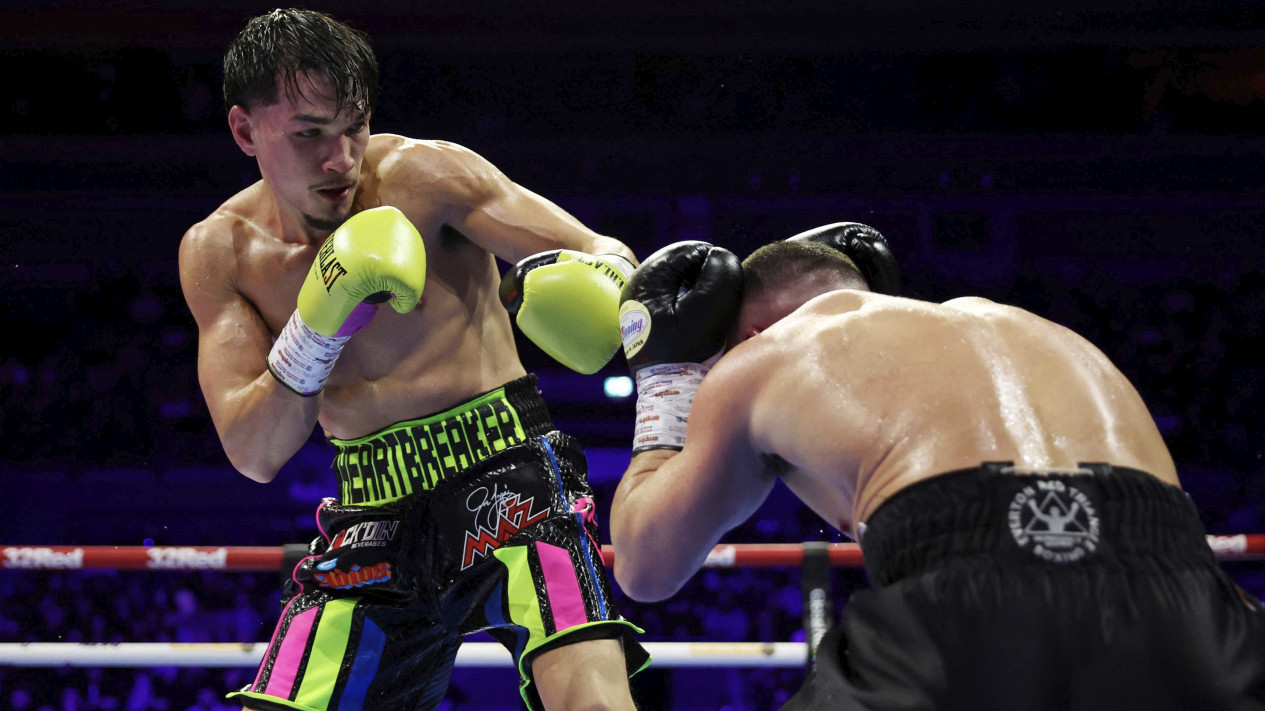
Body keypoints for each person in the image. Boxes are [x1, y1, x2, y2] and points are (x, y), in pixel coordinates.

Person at [177, 9, 648, 711]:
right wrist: (316, 326)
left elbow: (603, 253)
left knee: (591, 699)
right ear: (245, 131)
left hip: (505, 467)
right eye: (308, 134)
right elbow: (254, 452)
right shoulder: (221, 252)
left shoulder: (426, 176)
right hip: (370, 502)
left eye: (354, 127)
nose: (340, 159)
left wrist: (598, 287)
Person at [609, 224, 1265, 710]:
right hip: (1184, 586)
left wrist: (668, 385)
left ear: (748, 332)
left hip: (970, 593)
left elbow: (644, 566)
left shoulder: (764, 355)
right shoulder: (1031, 329)